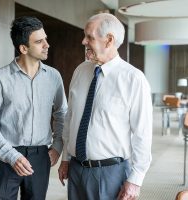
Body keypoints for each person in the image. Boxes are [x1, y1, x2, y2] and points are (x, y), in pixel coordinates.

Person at [58, 13, 152, 200]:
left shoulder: (133, 79)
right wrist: (66, 159)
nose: (83, 41)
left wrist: (135, 180)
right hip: (76, 170)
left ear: (109, 40)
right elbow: (71, 118)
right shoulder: (80, 71)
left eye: (89, 37)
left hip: (111, 173)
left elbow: (143, 133)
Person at [0, 16, 68, 200]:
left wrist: (57, 145)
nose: (47, 45)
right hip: (7, 156)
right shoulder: (0, 78)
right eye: (39, 41)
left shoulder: (54, 77)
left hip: (40, 156)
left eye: (45, 39)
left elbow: (62, 114)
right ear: (23, 48)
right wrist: (12, 156)